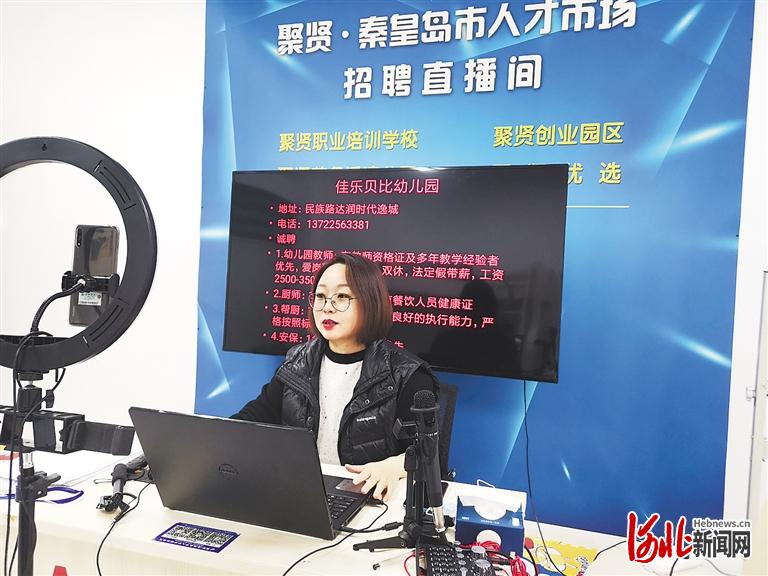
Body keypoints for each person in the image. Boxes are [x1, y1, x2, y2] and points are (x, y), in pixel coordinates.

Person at [232, 253, 439, 501]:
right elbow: (253, 418)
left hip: (369, 500)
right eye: (320, 296)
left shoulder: (407, 374)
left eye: (342, 296)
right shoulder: (298, 362)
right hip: (298, 493)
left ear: (370, 302)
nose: (327, 307)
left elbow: (429, 452)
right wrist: (214, 438)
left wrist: (393, 467)